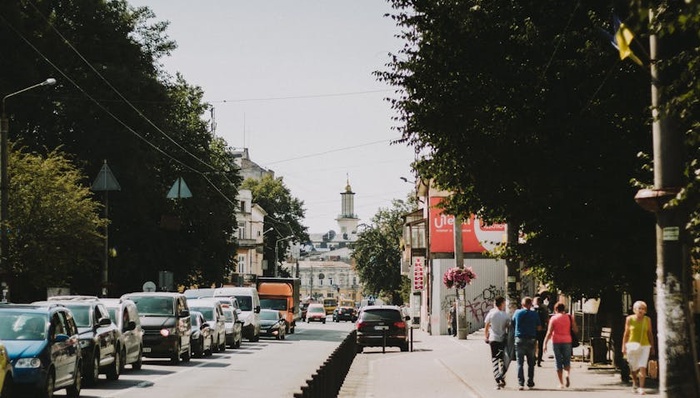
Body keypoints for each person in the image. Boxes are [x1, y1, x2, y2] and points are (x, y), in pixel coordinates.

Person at [622, 300, 655, 395]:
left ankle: (641, 387)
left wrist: (652, 346)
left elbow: (650, 333)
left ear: (645, 311)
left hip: (644, 346)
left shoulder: (647, 320)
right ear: (634, 309)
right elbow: (626, 333)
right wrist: (623, 347)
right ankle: (635, 382)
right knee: (633, 367)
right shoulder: (629, 319)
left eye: (643, 309)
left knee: (642, 366)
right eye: (639, 308)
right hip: (632, 345)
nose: (641, 310)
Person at [543, 302, 578, 389]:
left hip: (556, 341)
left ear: (555, 309)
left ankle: (561, 383)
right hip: (567, 340)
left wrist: (545, 343)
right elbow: (575, 329)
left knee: (558, 361)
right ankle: (567, 374)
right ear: (564, 309)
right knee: (567, 360)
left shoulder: (553, 318)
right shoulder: (569, 317)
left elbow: (549, 332)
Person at [512, 296, 540, 390]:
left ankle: (521, 383)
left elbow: (512, 323)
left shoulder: (517, 313)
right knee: (531, 363)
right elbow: (539, 327)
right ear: (530, 304)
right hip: (531, 339)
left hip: (519, 339)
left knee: (520, 363)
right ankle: (530, 382)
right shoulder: (534, 314)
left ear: (522, 304)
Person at [484, 296, 511, 389]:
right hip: (502, 339)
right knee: (502, 359)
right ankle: (502, 376)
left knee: (494, 358)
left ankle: (497, 378)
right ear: (502, 304)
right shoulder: (506, 315)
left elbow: (487, 325)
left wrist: (486, 336)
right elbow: (508, 327)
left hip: (493, 339)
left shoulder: (491, 313)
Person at [533, 296, 549, 367]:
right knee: (540, 345)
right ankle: (539, 361)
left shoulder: (533, 309)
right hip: (542, 329)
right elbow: (547, 319)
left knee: (533, 345)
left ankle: (533, 359)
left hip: (534, 329)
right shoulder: (545, 308)